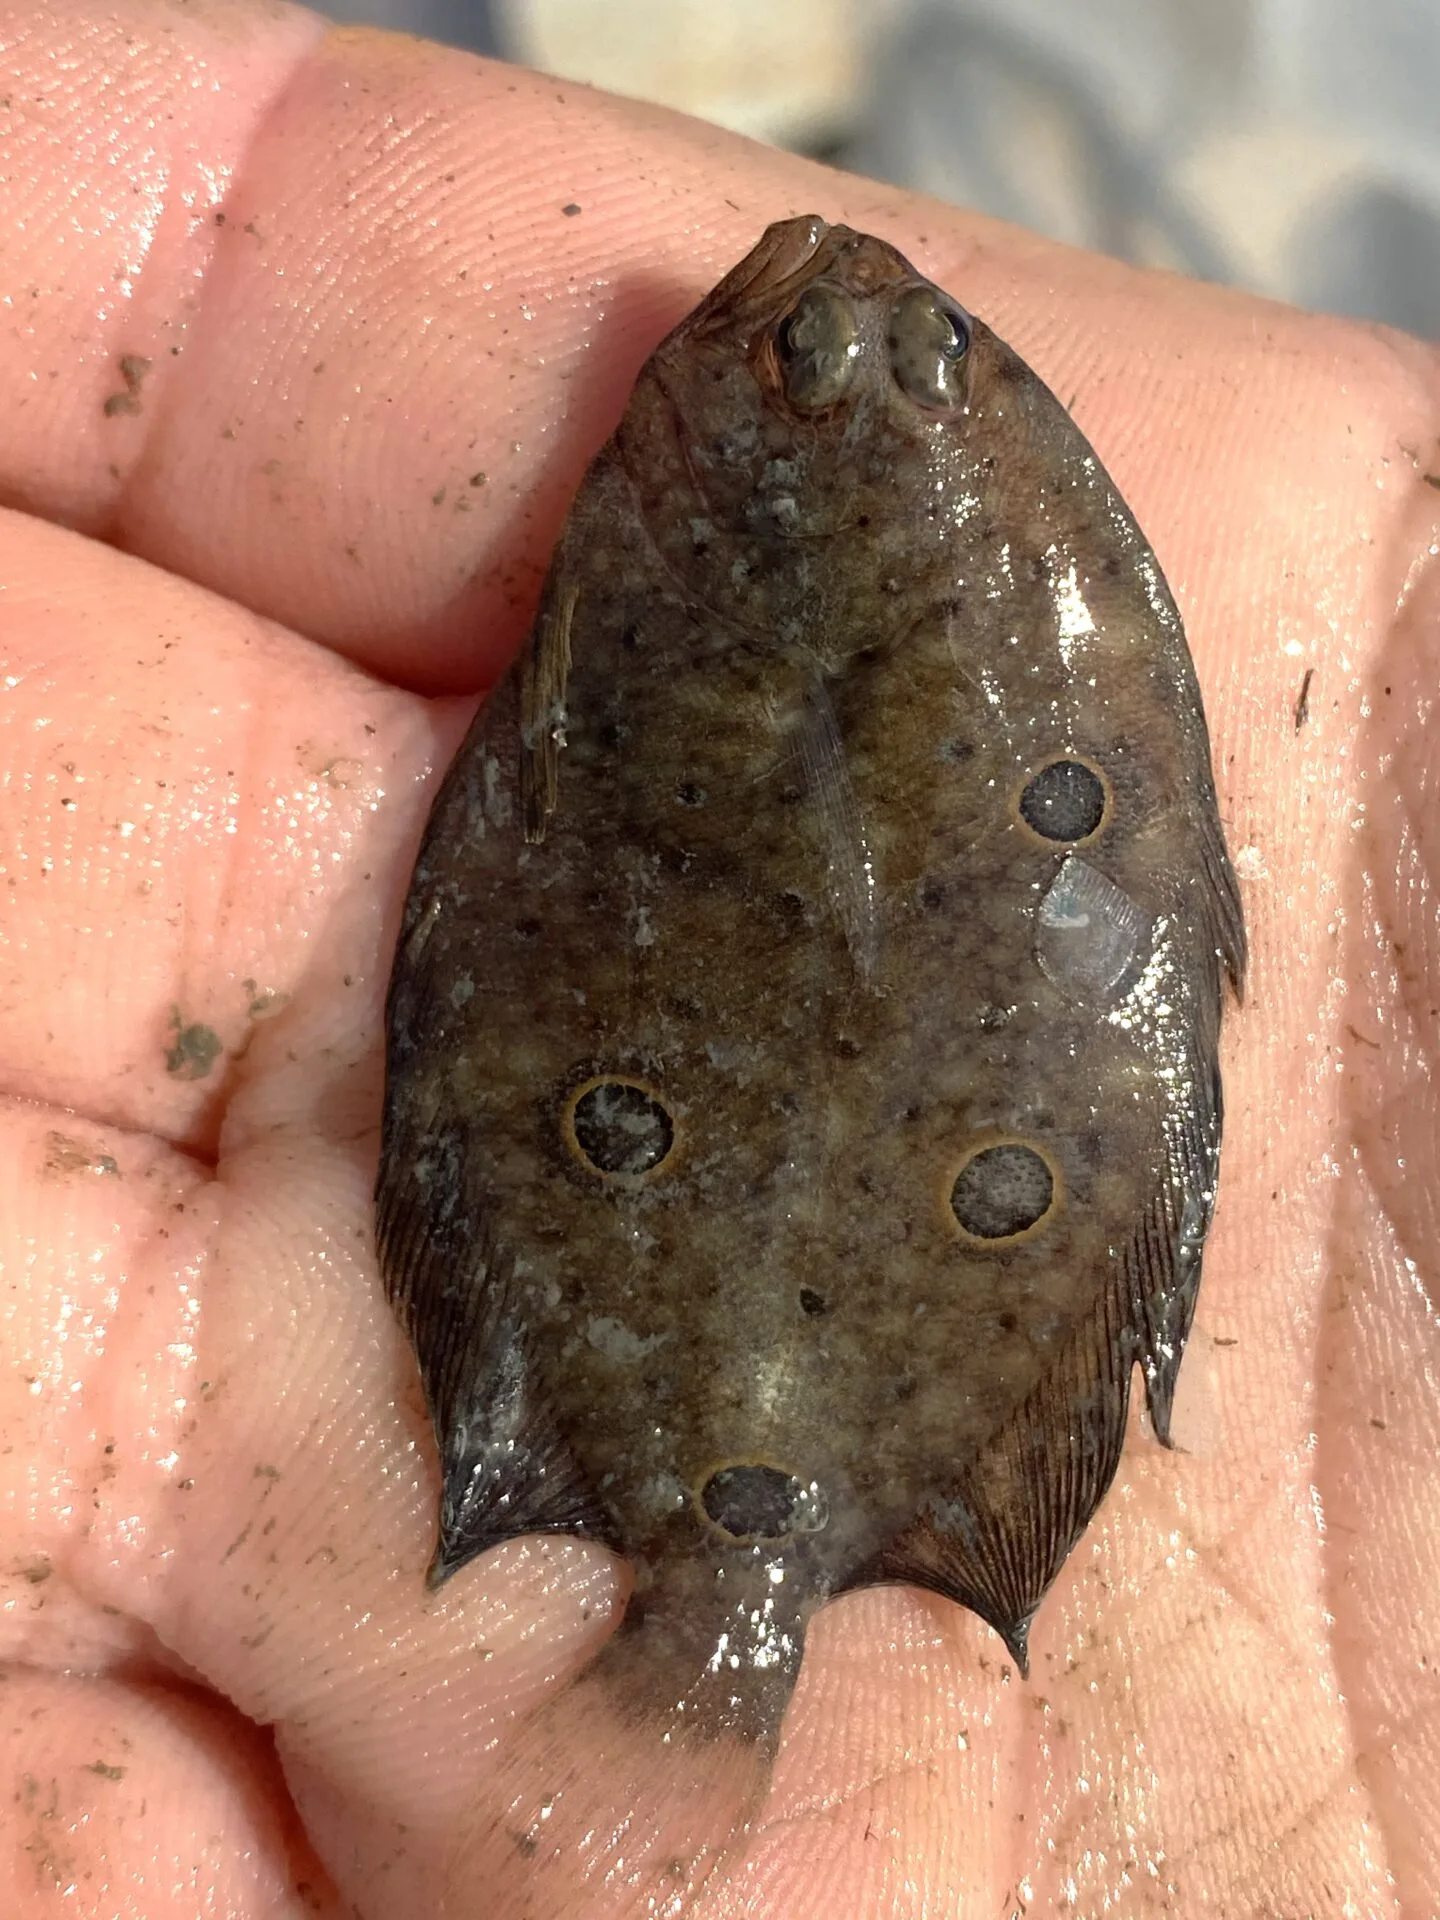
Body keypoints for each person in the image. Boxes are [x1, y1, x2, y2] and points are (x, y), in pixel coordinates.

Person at [0, 5, 1434, 1916]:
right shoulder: (1021, 575)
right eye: (834, 362)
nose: (826, 303)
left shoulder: (711, 558)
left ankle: (671, 1708)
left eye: (845, 359)